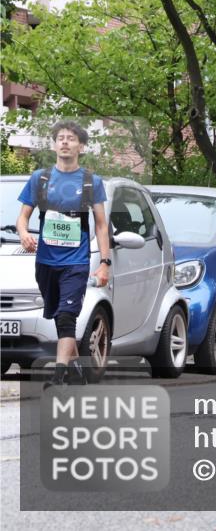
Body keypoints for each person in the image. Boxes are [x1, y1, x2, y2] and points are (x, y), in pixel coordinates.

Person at [16, 121, 111, 387]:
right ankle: (78, 367)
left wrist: (104, 263)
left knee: (68, 315)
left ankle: (59, 374)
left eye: (71, 138)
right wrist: (24, 233)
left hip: (76, 262)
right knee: (60, 315)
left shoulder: (91, 182)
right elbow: (22, 218)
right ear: (54, 144)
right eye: (61, 138)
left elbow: (102, 225)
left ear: (81, 146)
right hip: (45, 261)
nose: (65, 142)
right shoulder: (41, 179)